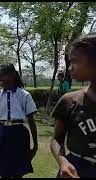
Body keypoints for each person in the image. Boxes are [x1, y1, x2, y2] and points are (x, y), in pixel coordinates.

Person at [50, 34, 96, 178]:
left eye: (75, 61)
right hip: (76, 169)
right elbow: (57, 139)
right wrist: (63, 162)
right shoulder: (68, 101)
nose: (70, 68)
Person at [0, 64, 38, 178]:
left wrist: (35, 145)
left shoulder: (24, 95)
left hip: (19, 134)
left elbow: (31, 121)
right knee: (3, 172)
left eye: (3, 77)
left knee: (18, 172)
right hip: (1, 134)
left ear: (13, 76)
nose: (1, 80)